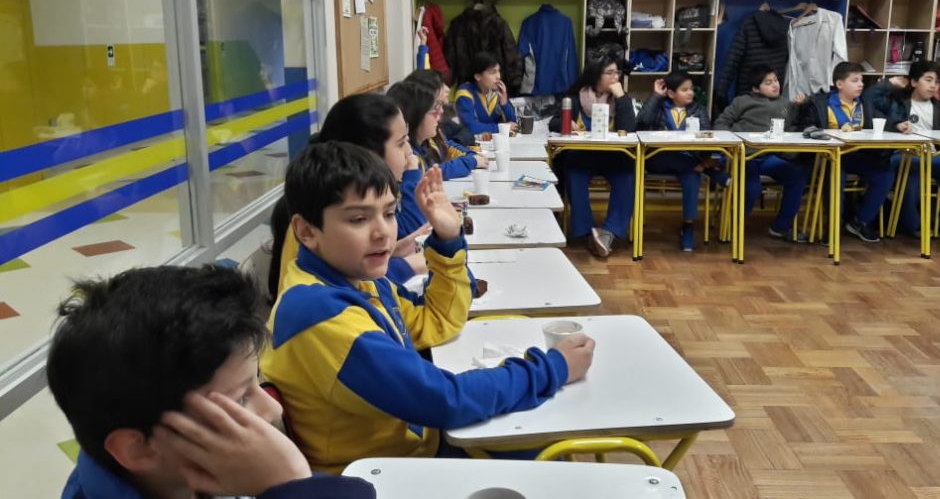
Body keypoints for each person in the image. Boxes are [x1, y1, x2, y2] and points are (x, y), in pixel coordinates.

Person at [261, 141, 595, 473]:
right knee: (548, 456)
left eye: (389, 213)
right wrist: (553, 369)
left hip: (415, 444)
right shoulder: (320, 315)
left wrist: (448, 239)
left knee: (542, 441)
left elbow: (436, 320)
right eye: (359, 219)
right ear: (306, 232)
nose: (383, 233)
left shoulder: (355, 277)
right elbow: (443, 400)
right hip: (385, 474)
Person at [48, 265, 376, 498]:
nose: (273, 408)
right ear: (139, 448)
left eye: (256, 382)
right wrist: (293, 484)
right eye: (239, 399)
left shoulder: (182, 478)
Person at [270, 94, 429, 300]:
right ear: (369, 155)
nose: (409, 152)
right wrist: (405, 265)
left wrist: (396, 250)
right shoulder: (315, 220)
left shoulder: (333, 205)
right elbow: (338, 289)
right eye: (400, 144)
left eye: (388, 214)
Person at [870, 60, 940, 239]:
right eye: (928, 80)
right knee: (913, 174)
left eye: (937, 82)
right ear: (913, 82)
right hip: (901, 155)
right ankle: (914, 225)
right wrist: (889, 84)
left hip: (935, 156)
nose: (933, 85)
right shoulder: (895, 103)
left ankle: (932, 214)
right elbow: (870, 99)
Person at [548, 56, 637, 257]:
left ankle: (609, 232)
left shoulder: (621, 99)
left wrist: (621, 97)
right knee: (573, 172)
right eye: (610, 73)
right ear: (596, 75)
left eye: (617, 73)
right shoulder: (575, 97)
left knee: (627, 175)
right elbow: (553, 122)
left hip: (614, 157)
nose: (616, 77)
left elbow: (629, 129)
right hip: (583, 156)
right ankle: (587, 232)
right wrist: (566, 124)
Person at [713, 65, 810, 241]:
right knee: (752, 188)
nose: (775, 85)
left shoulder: (786, 105)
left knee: (797, 176)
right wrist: (733, 142)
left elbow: (796, 126)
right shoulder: (742, 101)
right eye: (768, 82)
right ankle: (733, 227)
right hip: (744, 156)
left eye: (776, 80)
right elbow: (721, 123)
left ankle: (780, 227)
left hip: (769, 157)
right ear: (756, 88)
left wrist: (802, 107)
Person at [636, 71, 729, 251]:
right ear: (671, 93)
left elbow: (706, 136)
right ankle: (709, 170)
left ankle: (688, 226)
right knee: (687, 164)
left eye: (691, 89)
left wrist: (704, 157)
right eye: (684, 90)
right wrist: (656, 96)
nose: (690, 93)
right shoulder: (659, 106)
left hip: (688, 160)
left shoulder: (698, 109)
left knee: (692, 174)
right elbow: (642, 122)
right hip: (658, 159)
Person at [804, 61, 896, 243]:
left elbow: (883, 121)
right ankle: (832, 227)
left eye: (861, 80)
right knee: (835, 173)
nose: (860, 84)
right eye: (855, 81)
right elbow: (807, 126)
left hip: (859, 155)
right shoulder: (821, 103)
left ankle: (860, 221)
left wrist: (899, 125)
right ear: (839, 84)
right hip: (829, 156)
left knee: (885, 173)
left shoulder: (865, 104)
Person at [387, 80, 487, 180]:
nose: (440, 112)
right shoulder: (408, 152)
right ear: (416, 116)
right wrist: (470, 162)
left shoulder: (427, 142)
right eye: (434, 109)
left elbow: (449, 146)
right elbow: (431, 172)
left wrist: (472, 157)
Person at [454, 51, 517, 134]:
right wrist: (501, 128)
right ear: (478, 76)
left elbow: (513, 123)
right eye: (493, 72)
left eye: (499, 71)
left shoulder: (496, 92)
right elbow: (471, 127)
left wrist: (504, 104)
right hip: (473, 141)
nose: (498, 76)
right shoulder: (465, 93)